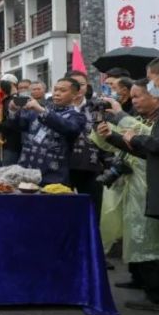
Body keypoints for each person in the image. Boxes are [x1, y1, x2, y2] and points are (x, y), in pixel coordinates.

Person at [94, 79, 159, 312]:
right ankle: (146, 284)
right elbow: (138, 146)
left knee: (149, 239)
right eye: (132, 97)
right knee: (136, 235)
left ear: (155, 95)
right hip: (138, 183)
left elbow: (152, 143)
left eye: (137, 97)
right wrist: (109, 137)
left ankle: (158, 294)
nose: (132, 102)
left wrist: (121, 118)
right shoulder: (149, 118)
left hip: (150, 184)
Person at [12, 77, 86, 185]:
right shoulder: (40, 109)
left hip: (52, 175)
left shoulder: (77, 116)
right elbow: (19, 126)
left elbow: (69, 128)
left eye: (62, 90)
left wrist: (41, 111)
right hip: (27, 171)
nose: (57, 93)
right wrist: (13, 110)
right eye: (55, 89)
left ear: (75, 95)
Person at [66, 70, 107, 217]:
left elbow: (103, 135)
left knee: (93, 210)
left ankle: (92, 239)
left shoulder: (96, 107)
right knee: (65, 211)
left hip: (91, 165)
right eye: (73, 84)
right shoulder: (55, 107)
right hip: (64, 166)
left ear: (87, 86)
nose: (78, 88)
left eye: (81, 84)